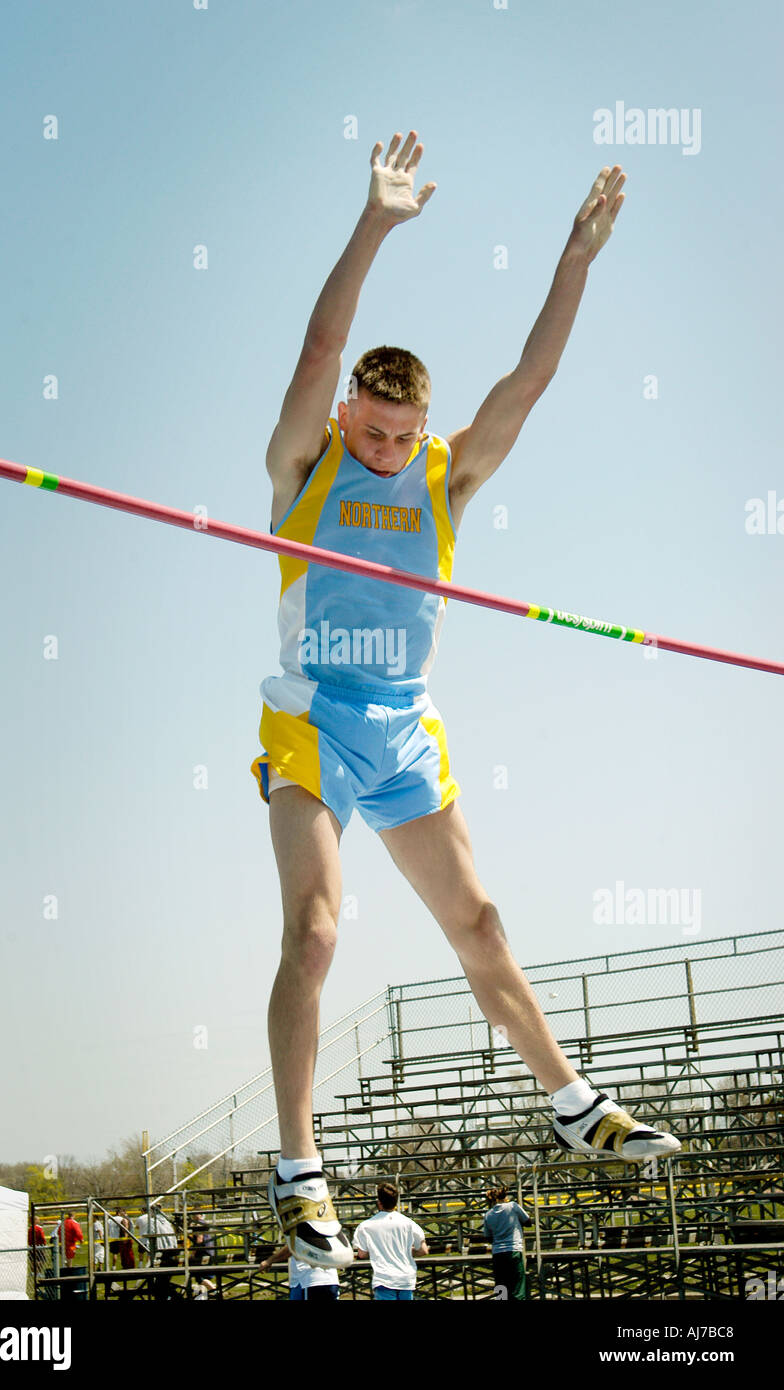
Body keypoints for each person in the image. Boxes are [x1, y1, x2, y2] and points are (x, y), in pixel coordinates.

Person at [254, 129, 682, 1269]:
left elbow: (529, 382)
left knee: (481, 923)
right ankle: (299, 1168)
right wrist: (376, 223)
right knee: (316, 930)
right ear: (347, 412)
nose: (388, 450)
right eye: (373, 430)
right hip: (313, 713)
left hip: (405, 722)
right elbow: (319, 347)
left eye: (404, 435)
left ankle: (572, 1102)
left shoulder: (446, 473)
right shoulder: (306, 460)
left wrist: (575, 260)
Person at [352, 1183, 428, 1300]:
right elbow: (423, 1250)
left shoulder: (366, 1226)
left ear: (379, 1203)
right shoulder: (408, 1223)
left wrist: (379, 1250)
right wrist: (405, 1251)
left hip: (384, 1278)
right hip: (406, 1278)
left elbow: (362, 1254)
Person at [483, 1185, 531, 1301]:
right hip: (513, 1250)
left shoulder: (488, 1214)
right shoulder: (513, 1206)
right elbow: (528, 1222)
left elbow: (488, 1237)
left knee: (501, 1289)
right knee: (517, 1288)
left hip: (498, 1253)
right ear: (504, 1197)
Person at [259, 1242, 340, 1301]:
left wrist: (269, 1261)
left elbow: (291, 1247)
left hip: (310, 1281)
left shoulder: (303, 1225)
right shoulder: (330, 1226)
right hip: (329, 1280)